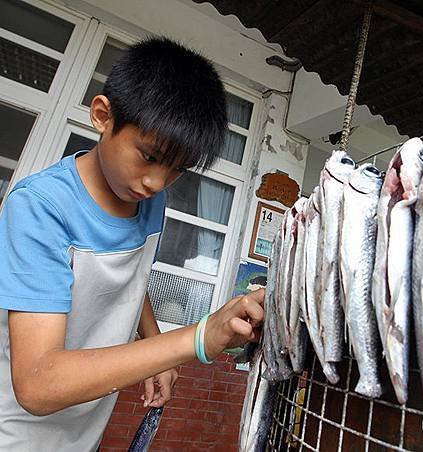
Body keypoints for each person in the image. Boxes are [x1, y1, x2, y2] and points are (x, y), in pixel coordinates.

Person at [0, 36, 265, 451]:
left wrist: (152, 338)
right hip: (15, 430)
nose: (157, 182)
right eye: (149, 156)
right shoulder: (40, 208)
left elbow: (129, 279)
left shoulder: (148, 200)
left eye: (178, 169)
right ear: (103, 116)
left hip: (87, 424)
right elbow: (39, 384)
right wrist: (194, 340)